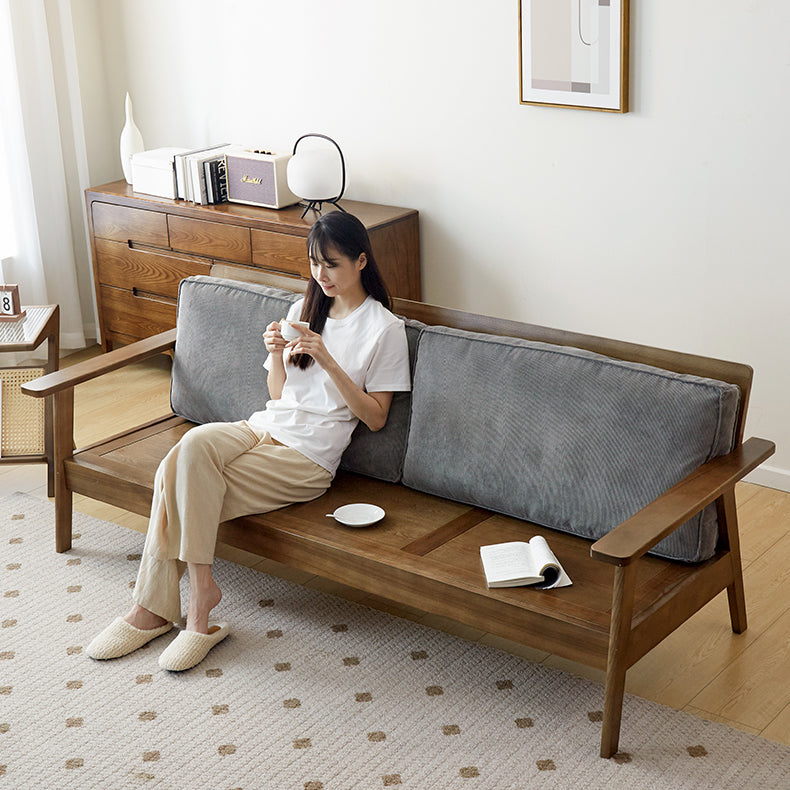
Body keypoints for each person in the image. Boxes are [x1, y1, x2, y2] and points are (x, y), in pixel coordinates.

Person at [86, 210, 411, 671]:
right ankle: (200, 596)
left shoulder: (384, 329)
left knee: (174, 479)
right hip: (262, 427)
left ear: (361, 261)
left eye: (332, 264)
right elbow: (279, 394)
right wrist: (276, 354)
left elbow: (376, 418)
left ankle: (159, 611)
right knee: (188, 453)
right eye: (315, 263)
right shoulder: (304, 309)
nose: (321, 275)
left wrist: (329, 359)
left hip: (307, 457)